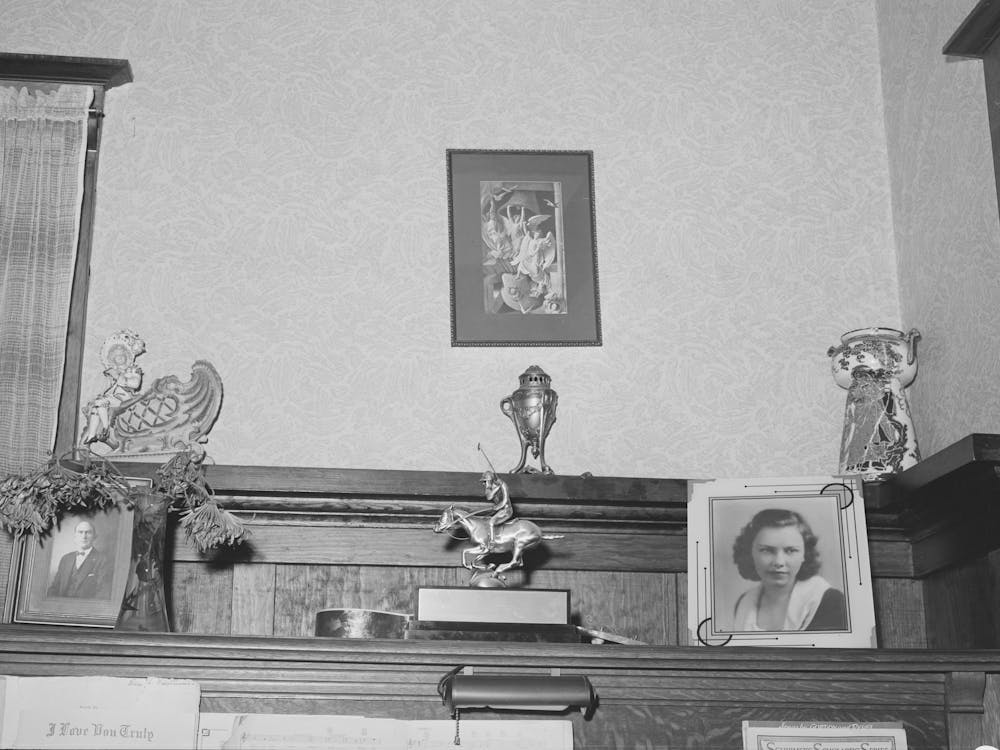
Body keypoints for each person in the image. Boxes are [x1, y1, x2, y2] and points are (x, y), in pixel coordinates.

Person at [730, 508, 847, 632]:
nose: (779, 562)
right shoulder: (744, 603)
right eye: (766, 550)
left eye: (791, 550)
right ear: (750, 553)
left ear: (805, 554)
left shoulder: (830, 601)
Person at [47, 520, 112, 599]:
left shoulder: (103, 560)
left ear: (94, 537)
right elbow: (54, 588)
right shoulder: (66, 559)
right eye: (80, 532)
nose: (84, 536)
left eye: (88, 532)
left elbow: (103, 593)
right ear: (75, 537)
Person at [481, 470, 513, 549]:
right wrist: (497, 488)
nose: (483, 484)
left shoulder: (504, 485)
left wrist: (498, 507)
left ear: (490, 480)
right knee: (485, 520)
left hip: (506, 510)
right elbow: (489, 497)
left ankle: (492, 543)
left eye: (485, 481)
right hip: (499, 510)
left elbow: (505, 500)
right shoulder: (489, 489)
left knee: (491, 522)